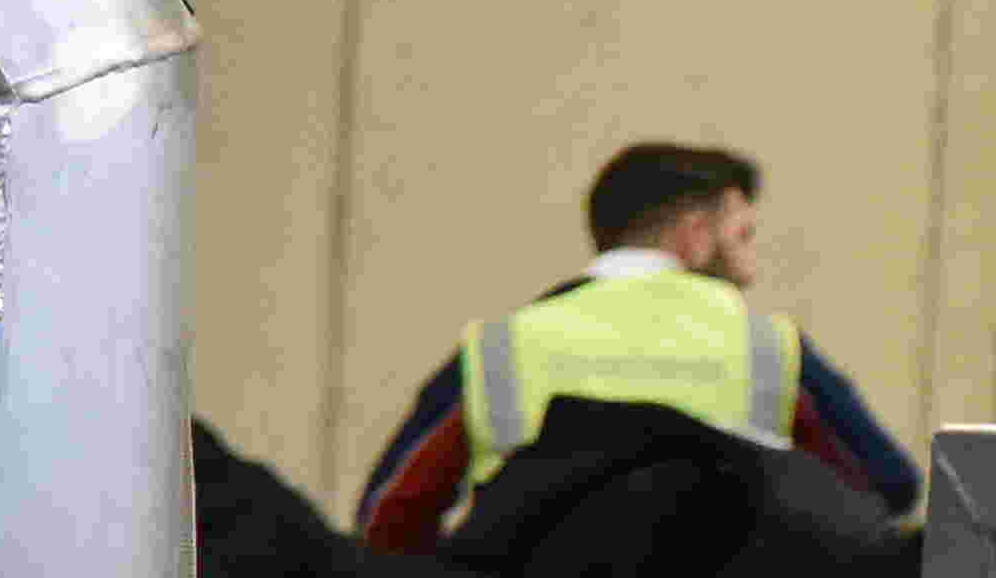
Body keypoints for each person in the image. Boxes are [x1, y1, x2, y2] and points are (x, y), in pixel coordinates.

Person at [348, 141, 915, 553]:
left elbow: (386, 519)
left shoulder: (502, 346)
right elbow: (889, 486)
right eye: (743, 235)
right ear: (694, 235)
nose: (752, 267)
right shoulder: (768, 348)